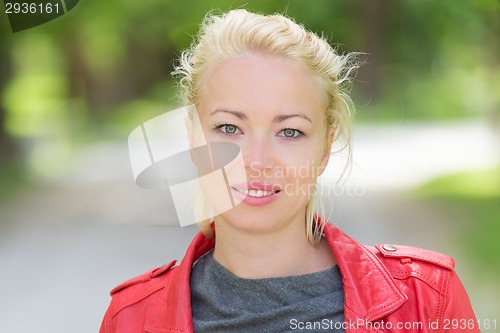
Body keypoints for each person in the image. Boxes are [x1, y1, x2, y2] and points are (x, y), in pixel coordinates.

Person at [100, 9, 479, 333]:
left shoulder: (428, 299)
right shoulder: (131, 317)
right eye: (229, 128)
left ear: (326, 148)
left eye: (290, 131)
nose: (257, 160)